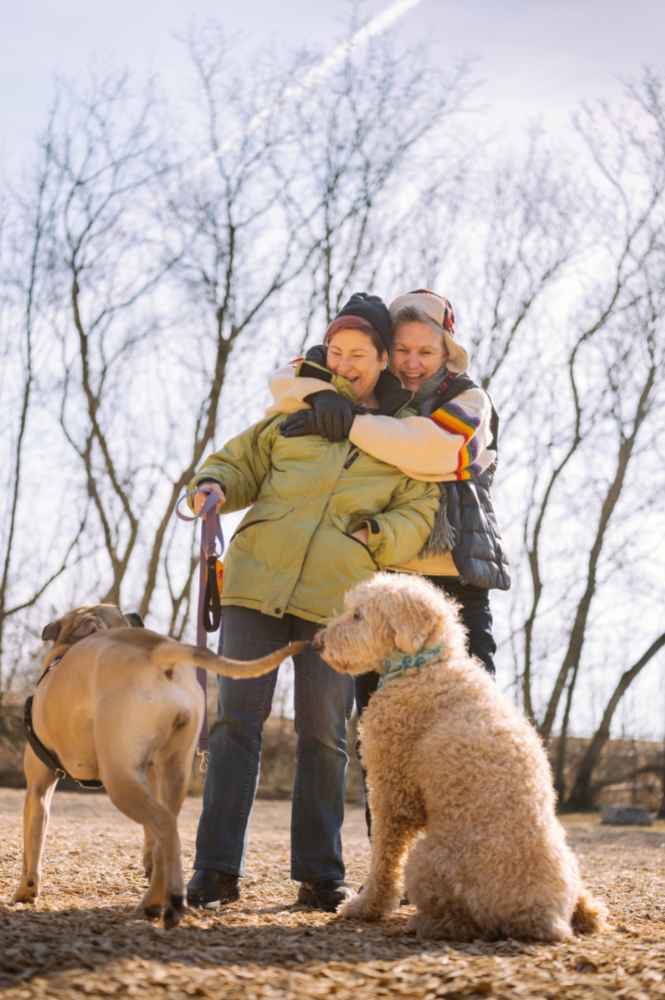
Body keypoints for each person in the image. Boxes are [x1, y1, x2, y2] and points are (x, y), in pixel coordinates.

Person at [184, 292, 441, 912]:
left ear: (384, 359)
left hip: (336, 603)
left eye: (359, 353)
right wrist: (212, 487)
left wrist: (373, 536)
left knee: (323, 735)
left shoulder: (404, 437)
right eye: (336, 351)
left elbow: (419, 508)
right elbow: (235, 462)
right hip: (255, 585)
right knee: (233, 726)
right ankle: (215, 870)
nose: (346, 362)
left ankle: (320, 875)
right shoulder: (290, 414)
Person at [273, 289, 510, 832]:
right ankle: (389, 862)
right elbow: (285, 382)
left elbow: (433, 451)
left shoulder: (470, 399)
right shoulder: (370, 389)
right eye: (400, 349)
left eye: (425, 351)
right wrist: (321, 394)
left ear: (447, 353)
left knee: (472, 721)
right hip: (384, 577)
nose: (410, 362)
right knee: (380, 728)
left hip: (455, 578)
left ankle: (475, 843)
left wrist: (346, 421)